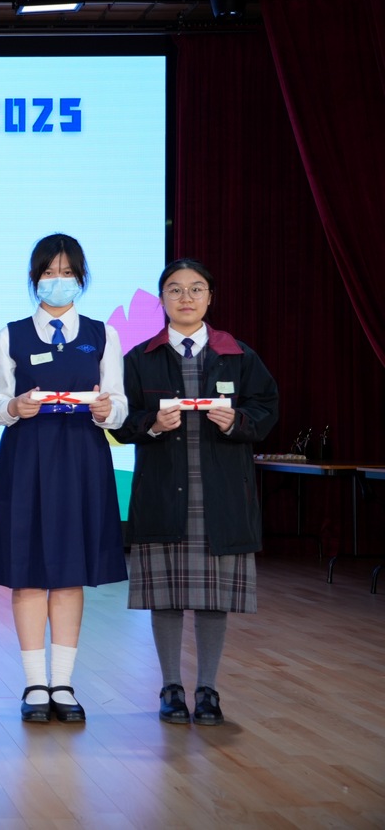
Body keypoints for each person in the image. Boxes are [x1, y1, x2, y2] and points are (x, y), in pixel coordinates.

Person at [113, 259, 278, 726]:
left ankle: (207, 690)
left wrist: (237, 421)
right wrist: (150, 424)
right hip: (163, 493)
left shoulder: (238, 355)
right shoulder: (140, 358)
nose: (185, 298)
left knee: (213, 600)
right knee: (165, 598)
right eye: (175, 289)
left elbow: (266, 408)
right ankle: (170, 688)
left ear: (210, 297)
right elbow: (120, 422)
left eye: (196, 289)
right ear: (162, 299)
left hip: (220, 497)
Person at [0, 234, 128, 724]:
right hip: (26, 455)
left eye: (67, 272)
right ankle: (34, 684)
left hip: (82, 455)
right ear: (34, 279)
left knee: (69, 574)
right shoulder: (11, 334)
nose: (57, 280)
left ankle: (63, 683)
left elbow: (119, 402)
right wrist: (14, 407)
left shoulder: (103, 334)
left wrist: (108, 411)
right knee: (27, 573)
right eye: (48, 272)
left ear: (81, 279)